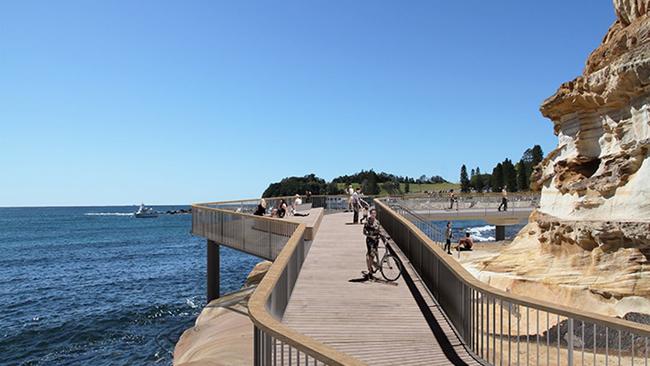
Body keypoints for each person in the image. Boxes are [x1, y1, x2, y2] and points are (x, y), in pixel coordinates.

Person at [363, 208, 382, 279]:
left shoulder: (377, 222)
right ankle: (371, 269)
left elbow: (379, 231)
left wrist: (382, 236)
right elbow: (364, 232)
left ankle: (370, 269)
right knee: (370, 255)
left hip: (376, 241)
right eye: (372, 213)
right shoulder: (367, 222)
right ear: (370, 214)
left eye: (375, 213)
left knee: (371, 256)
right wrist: (371, 236)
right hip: (369, 241)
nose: (373, 215)